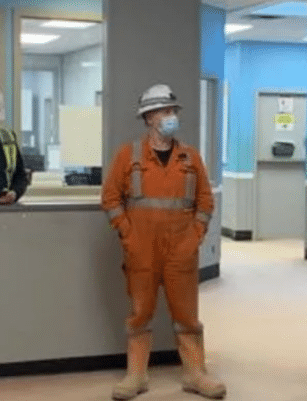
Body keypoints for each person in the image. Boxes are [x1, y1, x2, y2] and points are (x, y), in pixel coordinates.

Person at [102, 84, 224, 400]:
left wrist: (194, 237)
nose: (171, 117)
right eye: (166, 112)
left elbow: (205, 201)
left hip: (181, 251)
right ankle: (136, 375)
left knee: (186, 315)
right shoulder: (128, 156)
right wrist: (127, 234)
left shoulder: (190, 157)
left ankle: (196, 374)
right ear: (150, 117)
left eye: (173, 112)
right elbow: (111, 197)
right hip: (141, 249)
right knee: (140, 312)